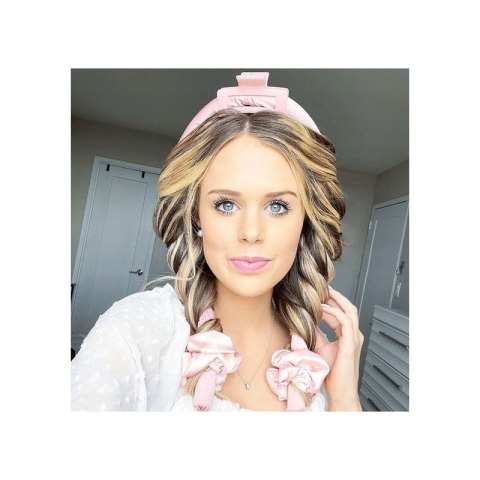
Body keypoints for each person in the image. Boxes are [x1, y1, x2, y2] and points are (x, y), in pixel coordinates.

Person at [71, 72, 364, 412]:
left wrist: (344, 396)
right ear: (197, 216)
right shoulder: (135, 330)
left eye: (277, 206)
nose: (251, 232)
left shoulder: (319, 359)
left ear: (305, 223)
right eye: (225, 205)